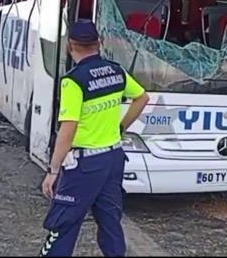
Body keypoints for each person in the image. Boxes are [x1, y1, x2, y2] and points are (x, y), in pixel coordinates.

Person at [39, 19, 150, 257]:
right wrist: (121, 126)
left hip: (85, 166)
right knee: (110, 222)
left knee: (63, 222)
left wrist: (53, 171)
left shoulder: (74, 81)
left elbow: (68, 129)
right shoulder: (116, 71)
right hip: (113, 159)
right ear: (99, 43)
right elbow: (142, 98)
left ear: (70, 46)